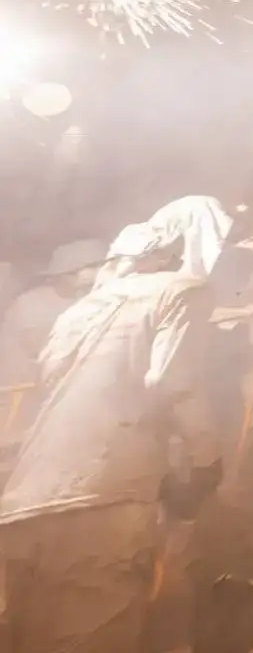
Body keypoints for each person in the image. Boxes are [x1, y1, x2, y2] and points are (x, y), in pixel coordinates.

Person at [0, 203, 225, 651]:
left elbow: (51, 376)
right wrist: (205, 459)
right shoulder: (180, 291)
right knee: (94, 633)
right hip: (106, 495)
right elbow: (169, 380)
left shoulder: (79, 310)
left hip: (26, 498)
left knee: (23, 632)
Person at [0, 239, 107, 445]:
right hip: (26, 393)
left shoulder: (102, 299)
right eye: (76, 273)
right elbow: (22, 359)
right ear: (60, 277)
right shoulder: (29, 306)